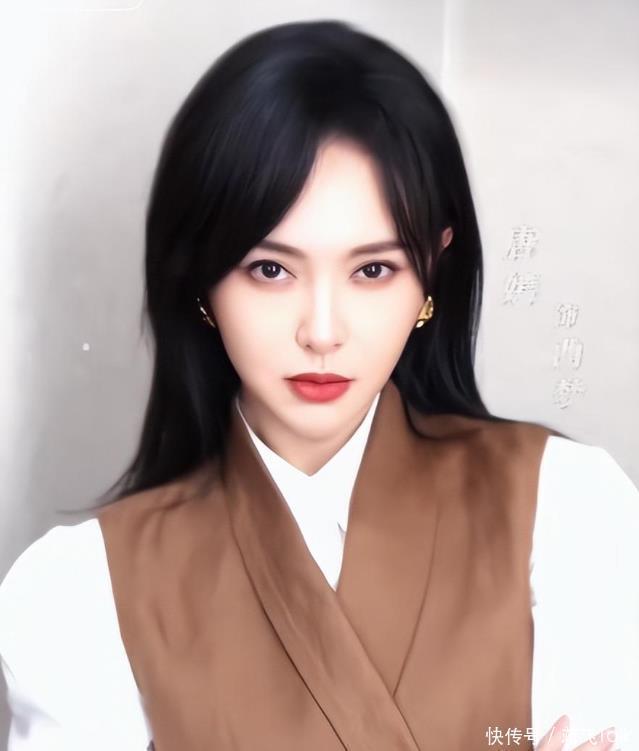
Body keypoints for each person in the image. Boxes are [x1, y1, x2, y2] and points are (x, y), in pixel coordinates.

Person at [0, 19, 637, 751]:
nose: (322, 331)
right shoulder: (80, 588)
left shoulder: (568, 508)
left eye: (373, 270)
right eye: (271, 270)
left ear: (432, 270)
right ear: (201, 279)